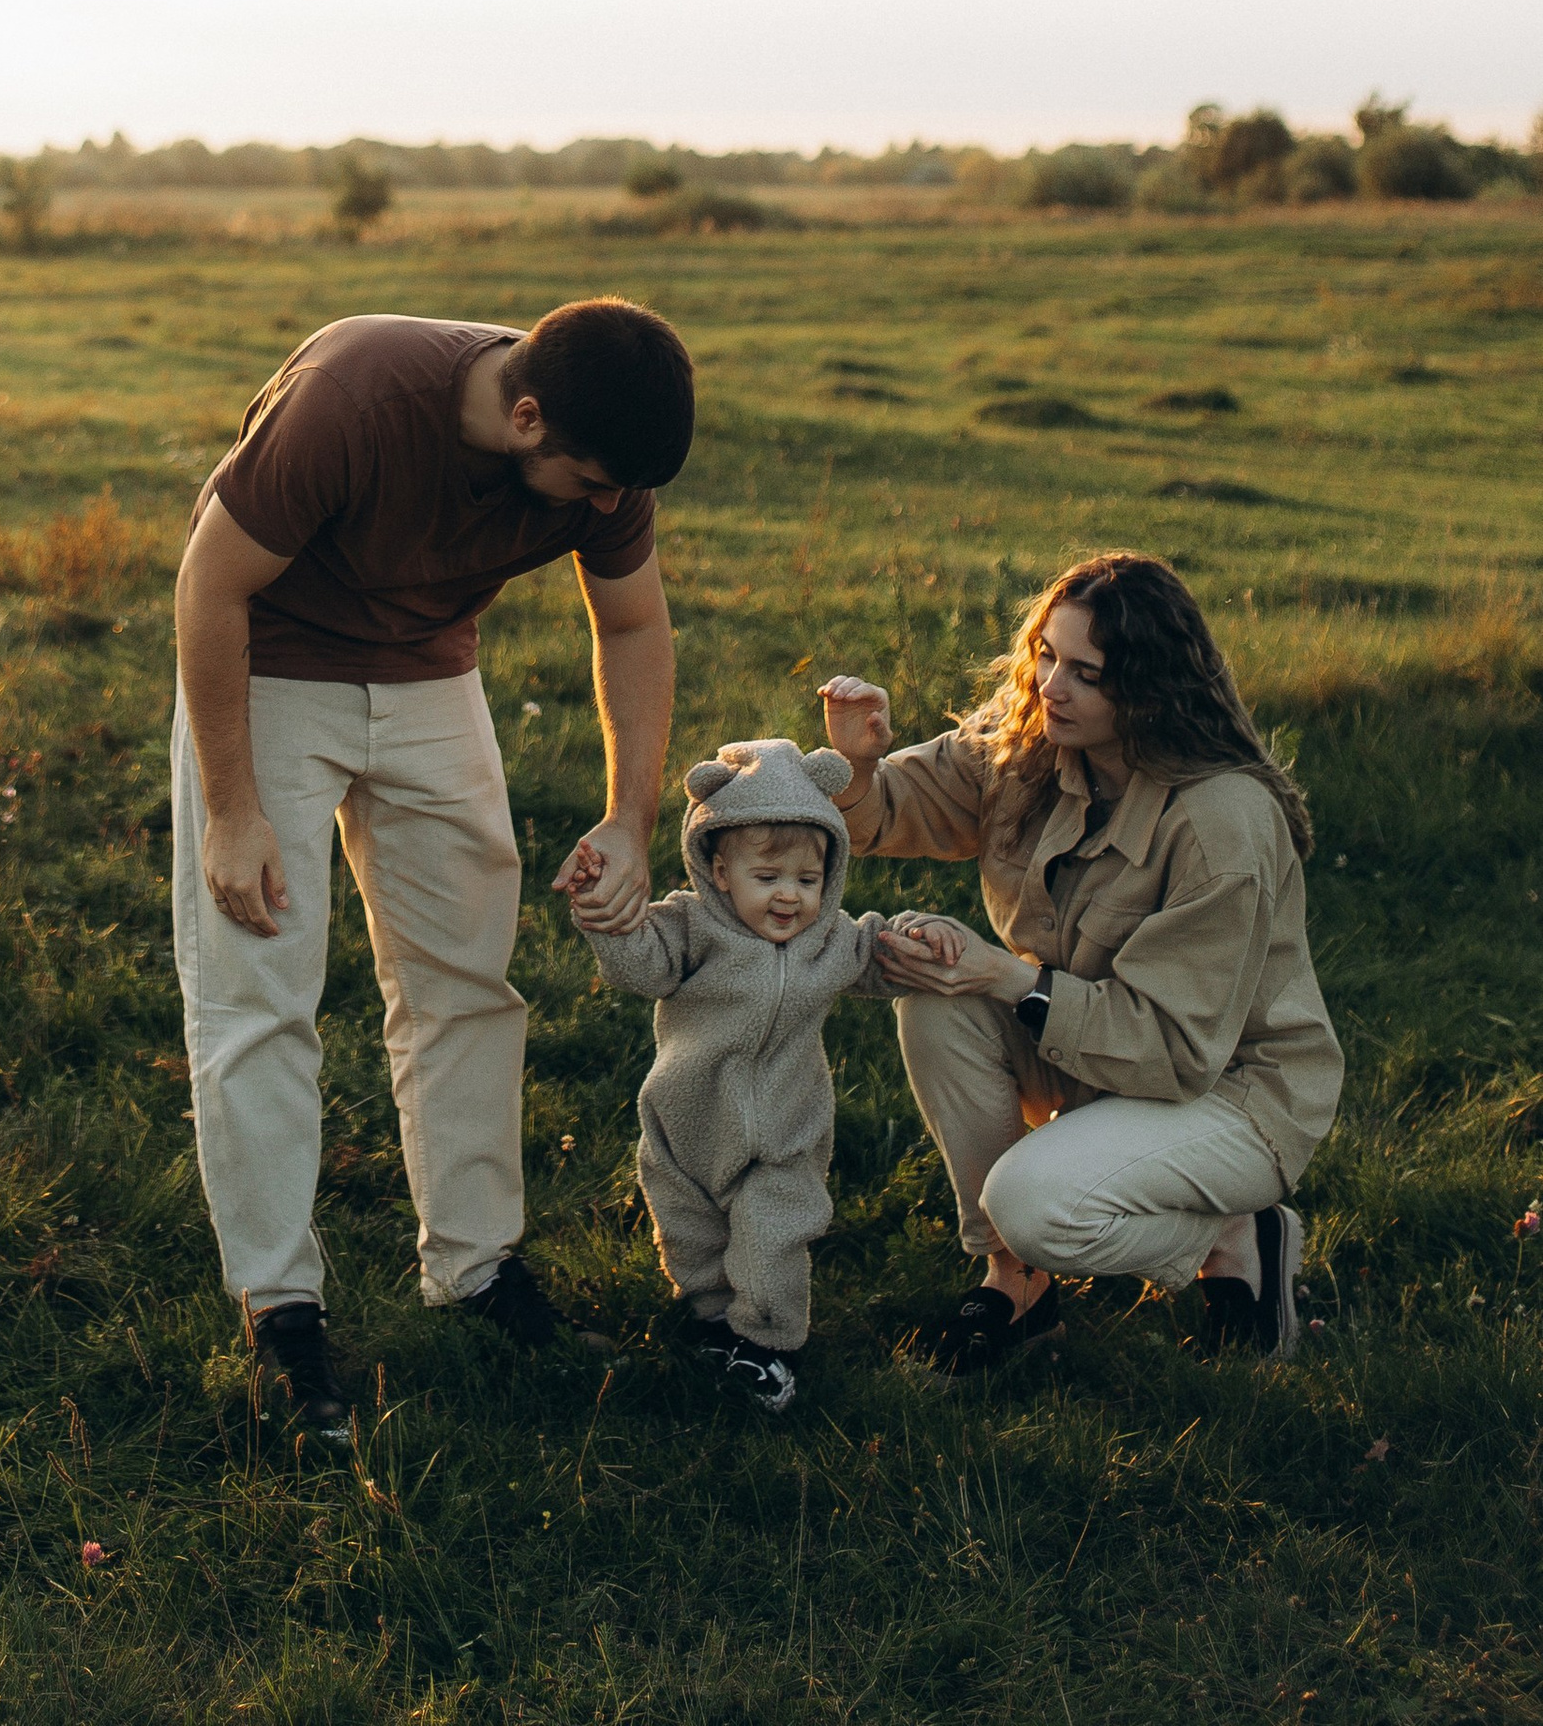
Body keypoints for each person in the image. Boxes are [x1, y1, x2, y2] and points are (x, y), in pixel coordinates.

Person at [172, 299, 694, 1440]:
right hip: (273, 669)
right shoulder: (353, 397)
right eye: (593, 483)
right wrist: (232, 809)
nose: (607, 510)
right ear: (523, 418)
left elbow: (634, 628)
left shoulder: (606, 450)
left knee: (466, 979)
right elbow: (210, 586)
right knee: (258, 996)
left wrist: (628, 818)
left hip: (427, 684)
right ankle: (280, 1310)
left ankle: (474, 1267)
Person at [818, 550, 1342, 1372]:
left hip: (1229, 1089)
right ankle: (1016, 1283)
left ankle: (1236, 1231)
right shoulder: (1031, 743)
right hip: (1092, 1049)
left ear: (1148, 690)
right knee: (934, 999)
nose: (1053, 685)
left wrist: (1007, 976)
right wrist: (854, 764)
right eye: (1048, 656)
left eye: (1086, 673)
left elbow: (1176, 1050)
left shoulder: (1220, 823)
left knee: (1031, 1201)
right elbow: (892, 809)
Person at [558, 736, 959, 1413]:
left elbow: (884, 955)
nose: (790, 899)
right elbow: (639, 967)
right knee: (691, 1235)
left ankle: (769, 1345)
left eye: (808, 881)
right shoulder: (689, 927)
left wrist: (924, 931)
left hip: (785, 1129)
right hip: (686, 1120)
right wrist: (604, 914)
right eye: (767, 879)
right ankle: (715, 1321)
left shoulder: (832, 941)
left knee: (773, 1233)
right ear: (718, 871)